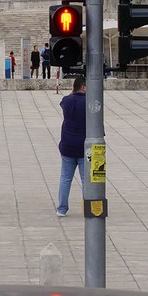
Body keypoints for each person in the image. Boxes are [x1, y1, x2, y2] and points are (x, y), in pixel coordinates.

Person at [55, 75, 86, 217]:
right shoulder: (89, 102)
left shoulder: (67, 101)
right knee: (86, 179)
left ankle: (62, 208)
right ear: (84, 87)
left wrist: (74, 91)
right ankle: (88, 206)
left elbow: (64, 100)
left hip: (67, 144)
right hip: (83, 146)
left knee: (65, 178)